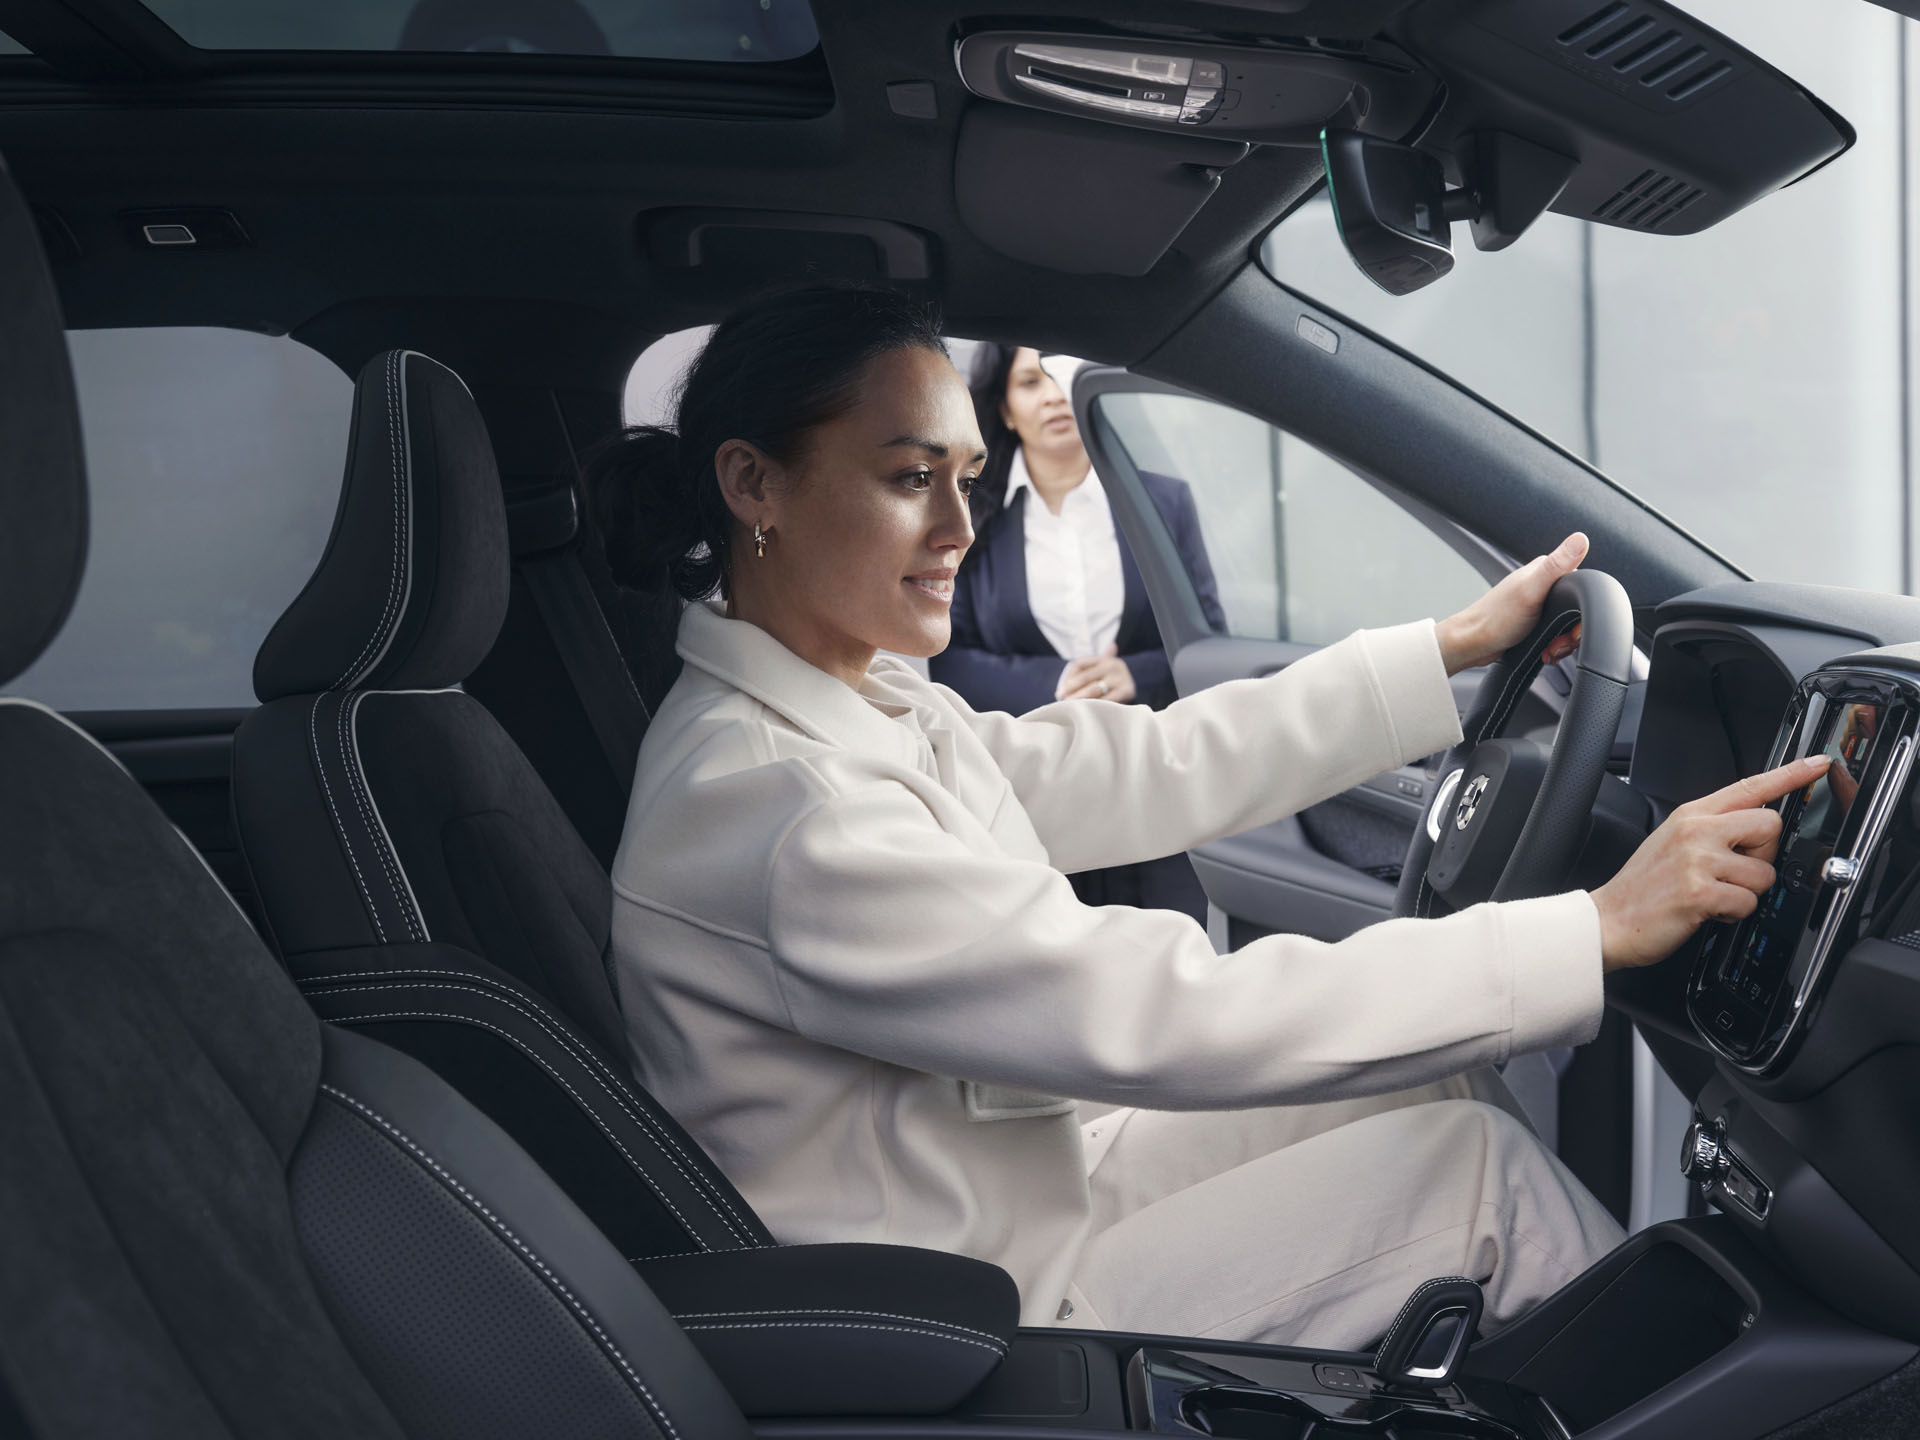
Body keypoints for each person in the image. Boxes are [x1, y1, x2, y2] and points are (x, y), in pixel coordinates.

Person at [593, 282, 1820, 1347]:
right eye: (912, 480)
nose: (962, 532)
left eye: (970, 480)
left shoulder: (849, 704)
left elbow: (1148, 762)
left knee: (1425, 1095)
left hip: (1025, 1195)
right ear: (753, 482)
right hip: (979, 1314)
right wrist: (1591, 930)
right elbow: (1165, 1012)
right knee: (1475, 1177)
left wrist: (1446, 652)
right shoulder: (780, 808)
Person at [930, 344, 1223, 921]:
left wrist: (1133, 674)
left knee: (1171, 952)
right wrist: (1058, 682)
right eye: (1030, 383)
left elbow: (1207, 643)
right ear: (1007, 410)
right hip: (1037, 792)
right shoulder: (971, 516)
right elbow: (949, 658)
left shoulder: (1162, 501)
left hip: (1154, 777)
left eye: (1063, 377)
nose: (1052, 396)